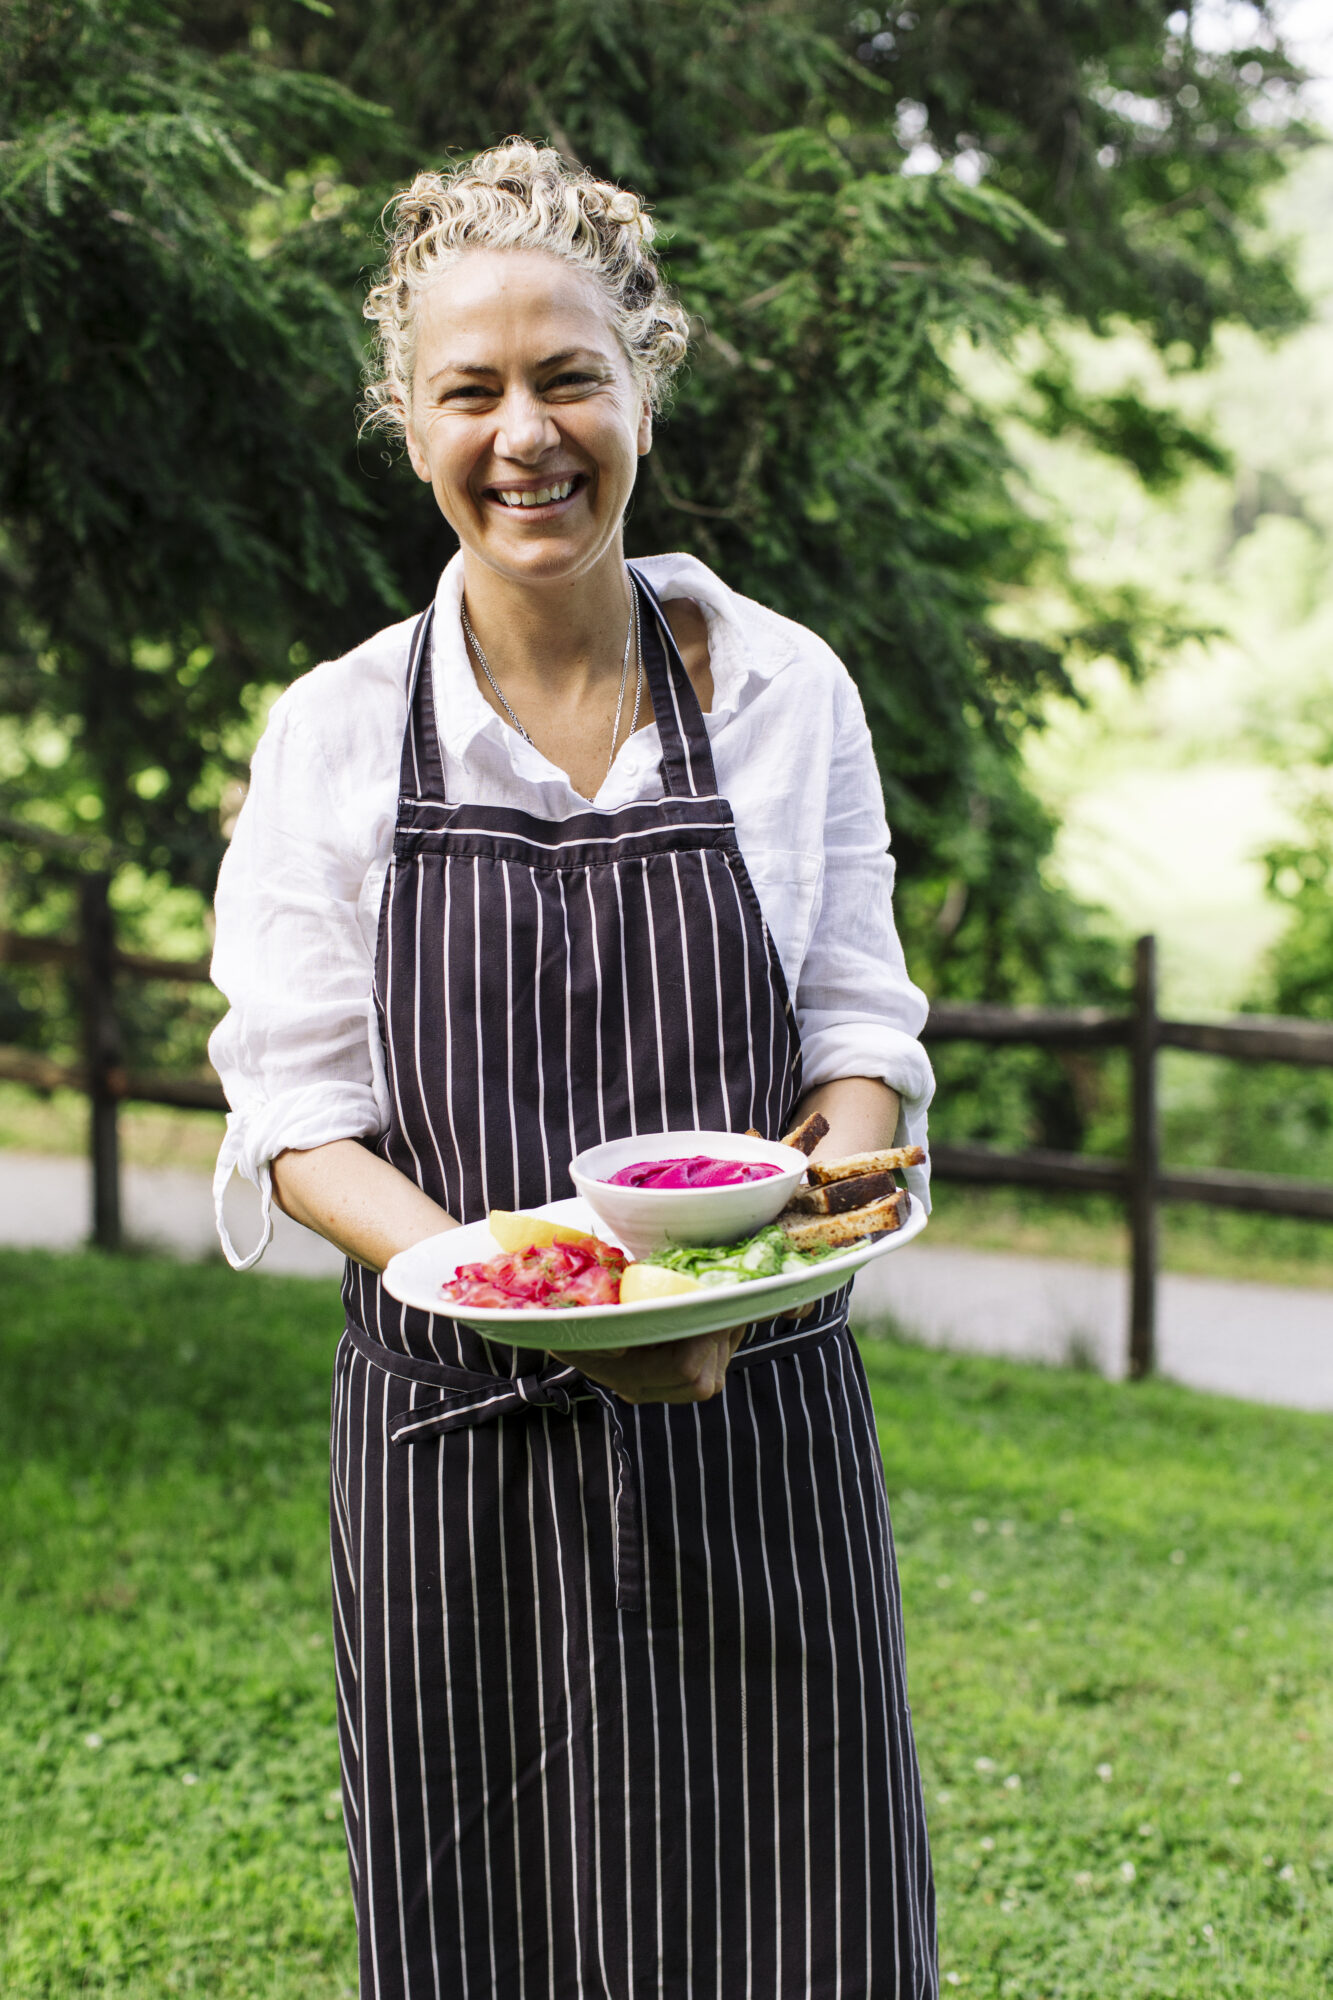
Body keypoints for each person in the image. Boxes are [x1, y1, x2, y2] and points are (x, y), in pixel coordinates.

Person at [210, 138, 938, 2000]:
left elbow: (859, 1037)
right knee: (489, 1938)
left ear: (642, 388)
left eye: (567, 378)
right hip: (460, 1447)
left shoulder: (787, 693)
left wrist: (794, 1228)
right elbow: (298, 1113)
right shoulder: (337, 732)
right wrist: (529, 1290)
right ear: (409, 420)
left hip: (750, 1419)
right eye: (471, 390)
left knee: (801, 1924)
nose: (523, 434)